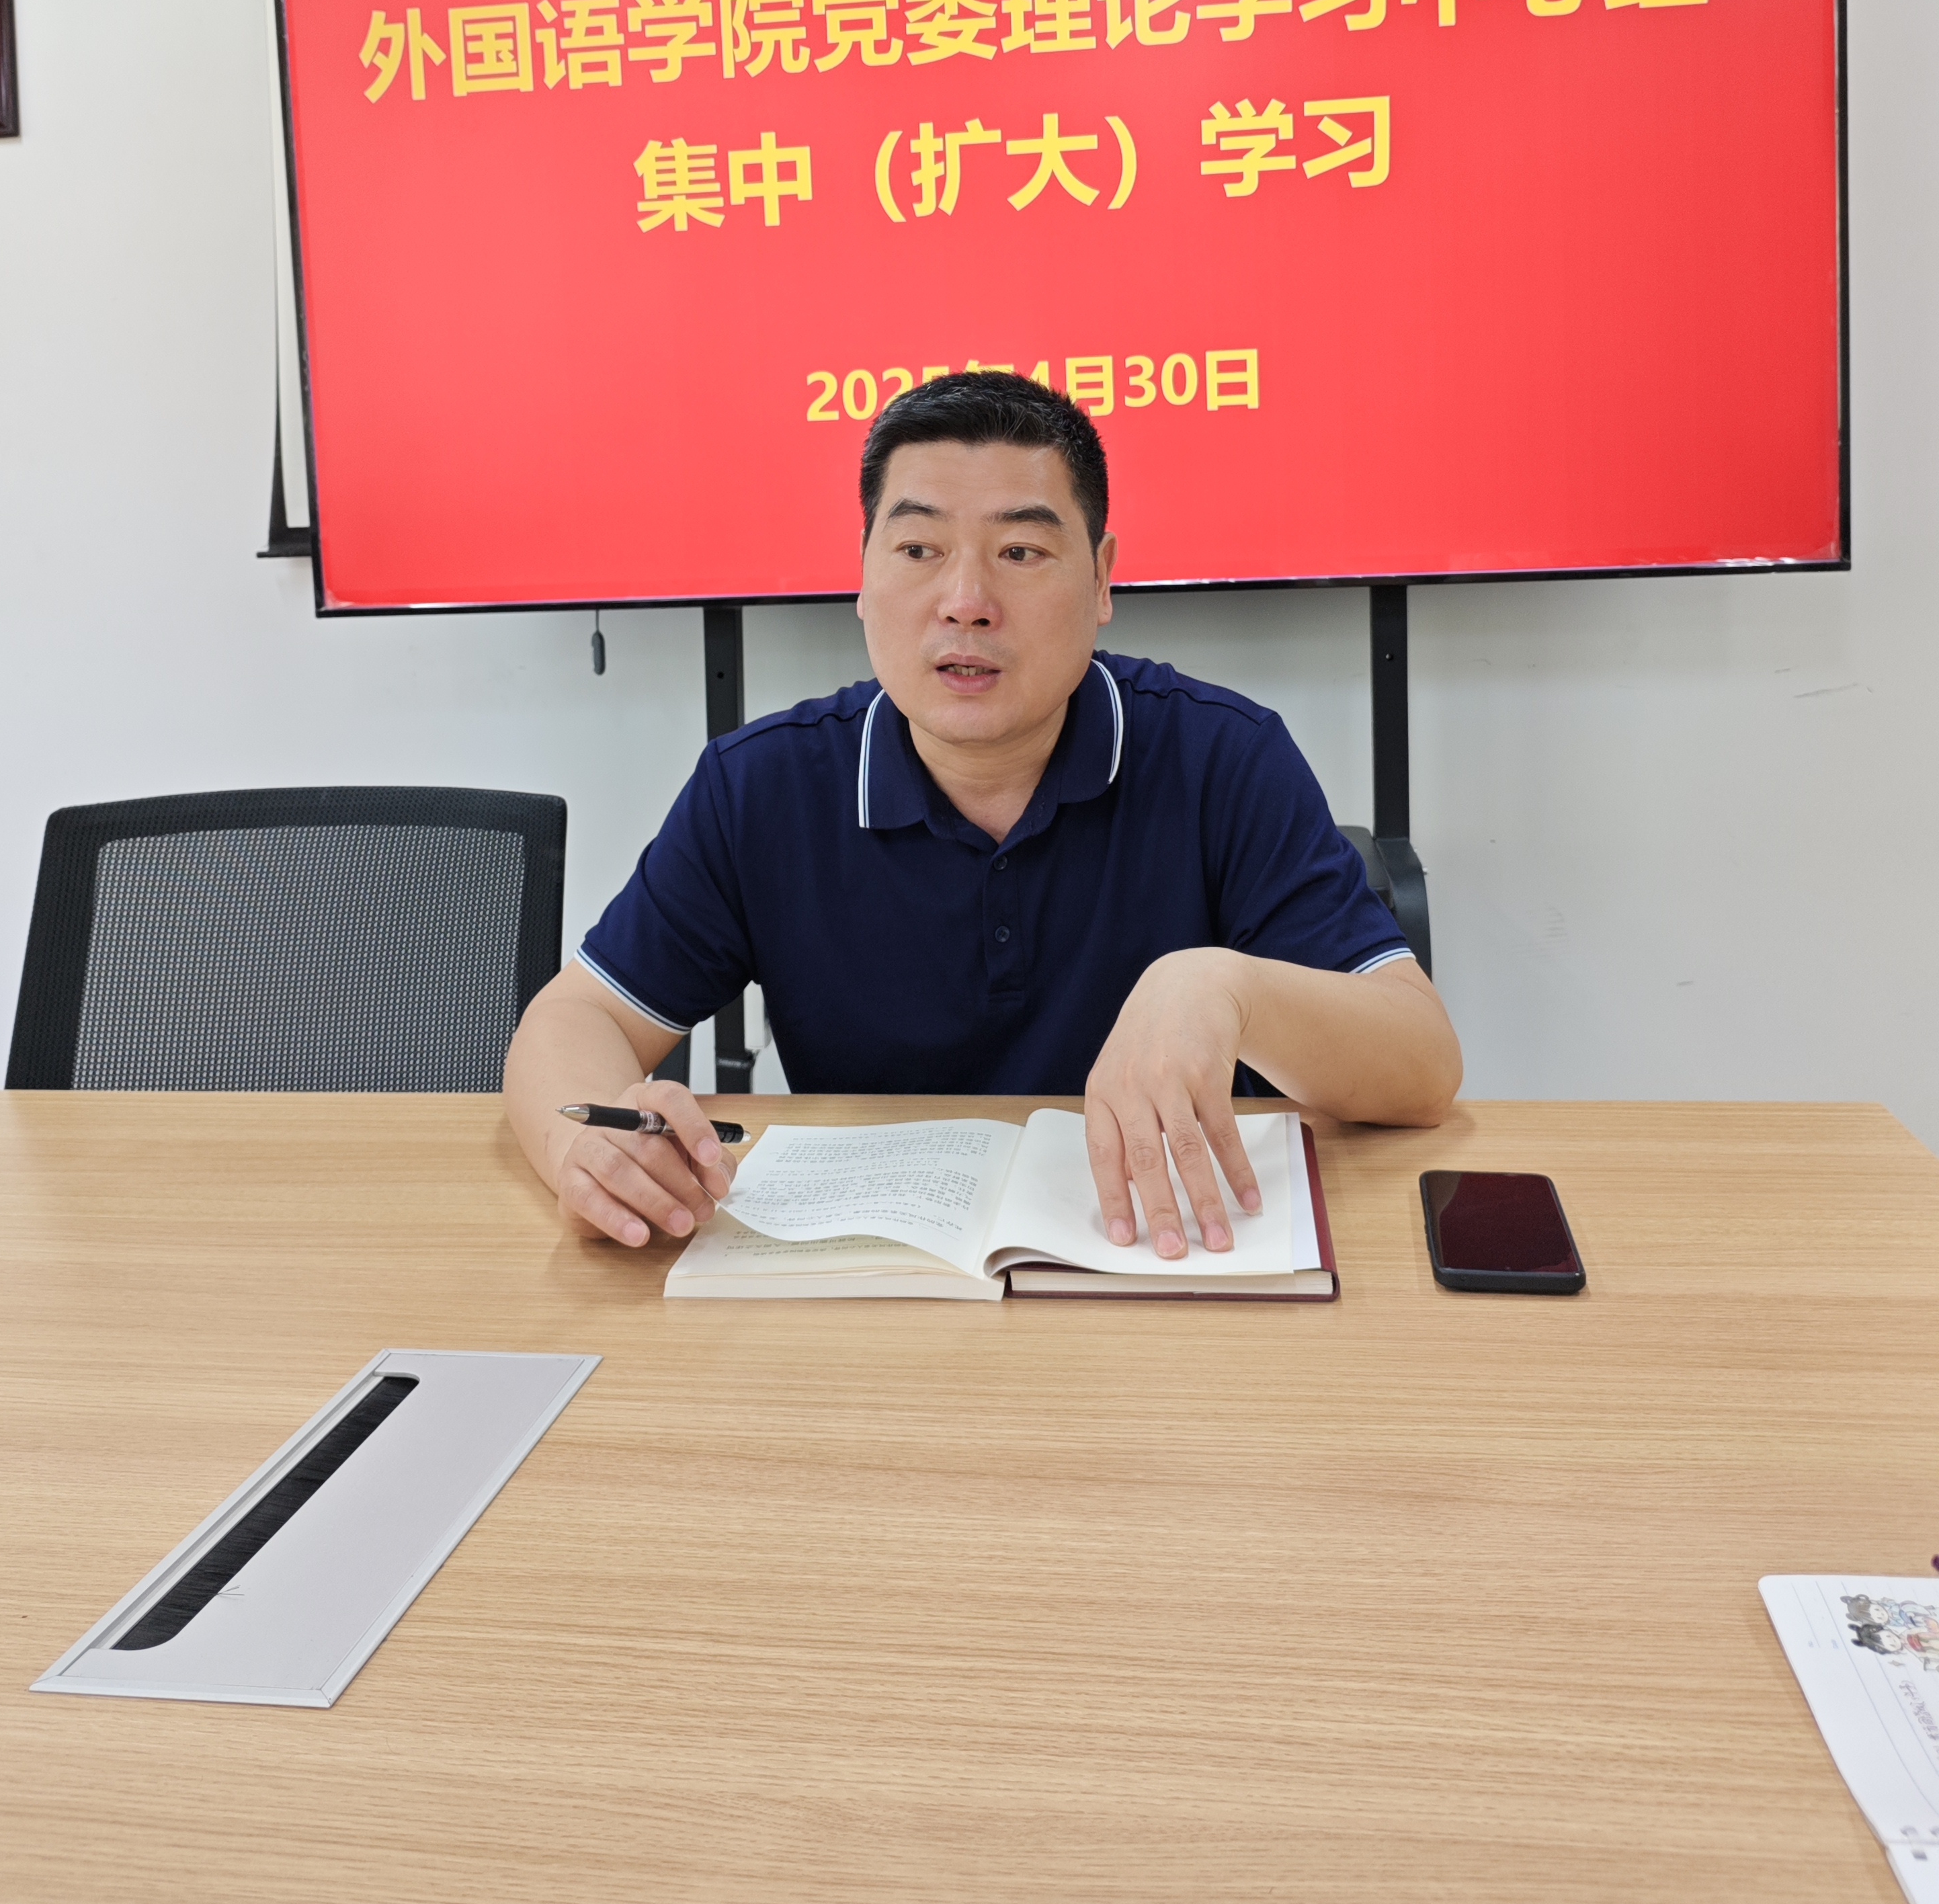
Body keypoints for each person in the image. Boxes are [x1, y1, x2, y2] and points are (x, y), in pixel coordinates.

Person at [504, 372, 1461, 1259]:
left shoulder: (1223, 757)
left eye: (1021, 552)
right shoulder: (760, 786)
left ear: (1102, 579)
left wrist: (1227, 987)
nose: (965, 603)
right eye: (919, 550)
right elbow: (580, 1015)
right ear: (864, 575)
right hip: (876, 1282)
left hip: (1159, 1264)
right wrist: (585, 1149)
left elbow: (1421, 1062)